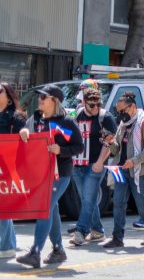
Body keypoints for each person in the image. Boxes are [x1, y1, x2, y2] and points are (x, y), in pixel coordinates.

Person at [16, 85, 84, 268]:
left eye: (44, 97)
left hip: (60, 173)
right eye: (40, 97)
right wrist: (24, 131)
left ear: (54, 101)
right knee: (51, 210)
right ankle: (58, 250)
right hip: (41, 173)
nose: (40, 100)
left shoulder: (66, 123)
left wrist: (61, 150)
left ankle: (35, 251)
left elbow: (79, 146)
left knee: (44, 207)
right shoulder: (36, 119)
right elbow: (26, 130)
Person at [102, 92, 144, 248]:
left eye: (123, 111)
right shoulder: (123, 125)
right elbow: (116, 150)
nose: (121, 115)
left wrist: (133, 161)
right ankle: (117, 237)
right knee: (118, 203)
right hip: (121, 170)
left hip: (140, 171)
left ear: (133, 106)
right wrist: (109, 142)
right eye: (118, 112)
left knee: (141, 203)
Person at [68, 88, 117, 246]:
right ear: (83, 102)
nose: (95, 107)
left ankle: (81, 231)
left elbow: (109, 142)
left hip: (95, 165)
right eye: (91, 105)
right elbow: (68, 135)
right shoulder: (76, 115)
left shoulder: (105, 117)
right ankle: (97, 231)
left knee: (88, 199)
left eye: (98, 104)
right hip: (77, 164)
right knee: (87, 199)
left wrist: (100, 162)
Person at [0, 83, 26, 259]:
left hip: (7, 168)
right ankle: (9, 245)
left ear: (8, 97)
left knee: (3, 207)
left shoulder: (15, 116)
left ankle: (7, 245)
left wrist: (24, 132)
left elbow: (24, 129)